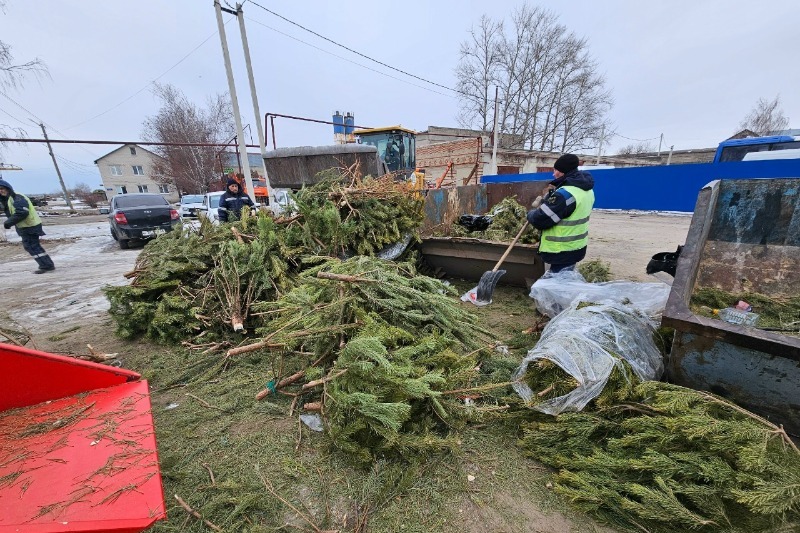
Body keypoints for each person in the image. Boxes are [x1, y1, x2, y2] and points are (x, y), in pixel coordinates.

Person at [526, 153, 595, 274]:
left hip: (562, 249)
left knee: (557, 281)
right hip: (576, 245)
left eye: (556, 170)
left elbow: (540, 220)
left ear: (563, 172)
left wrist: (530, 214)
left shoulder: (565, 194)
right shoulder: (586, 190)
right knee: (565, 278)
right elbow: (568, 210)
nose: (554, 174)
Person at [0, 178, 56, 274]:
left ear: (7, 188)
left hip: (30, 226)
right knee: (31, 246)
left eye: (2, 189)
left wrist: (9, 222)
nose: (1, 191)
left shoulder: (16, 197)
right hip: (26, 226)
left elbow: (22, 212)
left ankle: (46, 265)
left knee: (32, 246)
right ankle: (46, 264)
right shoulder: (9, 198)